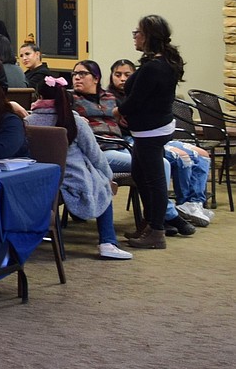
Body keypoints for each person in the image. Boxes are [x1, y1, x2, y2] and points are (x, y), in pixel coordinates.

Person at [80, 58, 210, 232]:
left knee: (199, 154)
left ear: (96, 78)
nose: (77, 78)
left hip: (129, 142)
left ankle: (188, 204)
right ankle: (167, 216)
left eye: (83, 74)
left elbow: (127, 117)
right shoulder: (73, 99)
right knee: (166, 160)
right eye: (75, 74)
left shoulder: (109, 98)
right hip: (108, 147)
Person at [25, 75, 133, 260]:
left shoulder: (28, 121)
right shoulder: (73, 120)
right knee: (102, 186)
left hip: (41, 181)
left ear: (39, 96)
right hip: (75, 178)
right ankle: (107, 242)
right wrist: (107, 176)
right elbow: (94, 153)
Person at [117, 15, 185, 250]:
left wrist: (118, 110)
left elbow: (136, 100)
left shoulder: (154, 68)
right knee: (140, 174)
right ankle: (149, 223)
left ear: (148, 36)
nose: (135, 36)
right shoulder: (165, 61)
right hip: (154, 127)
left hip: (151, 131)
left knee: (153, 181)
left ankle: (157, 230)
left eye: (138, 32)